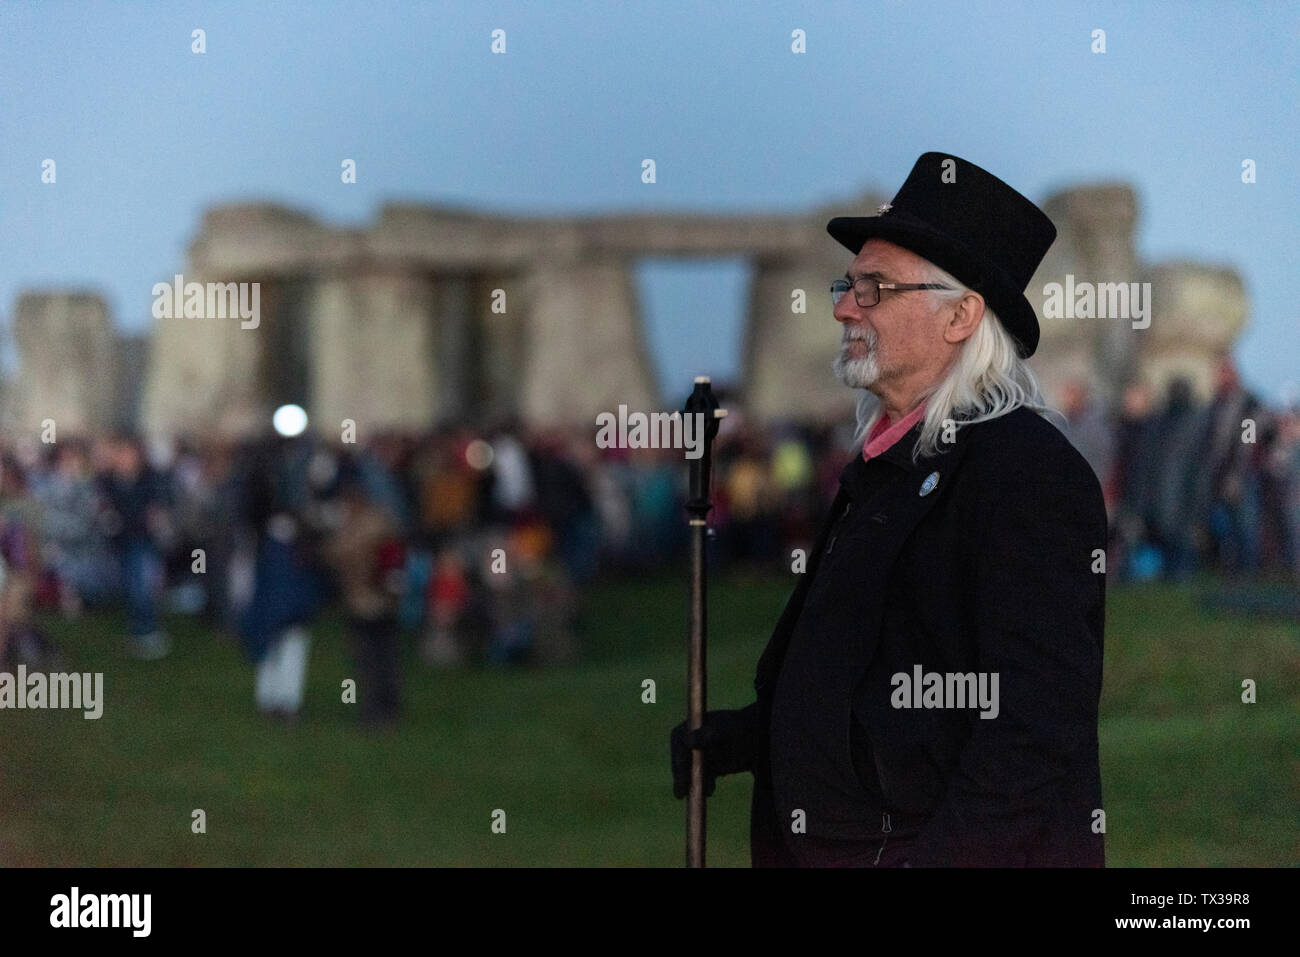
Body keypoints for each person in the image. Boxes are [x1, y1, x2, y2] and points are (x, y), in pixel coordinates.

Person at [671, 153, 1107, 867]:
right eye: (849, 283)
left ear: (962, 315)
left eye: (875, 288)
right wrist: (748, 737)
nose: (844, 305)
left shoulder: (1025, 473)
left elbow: (1032, 732)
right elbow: (871, 678)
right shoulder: (883, 468)